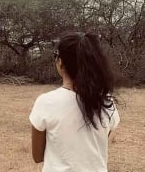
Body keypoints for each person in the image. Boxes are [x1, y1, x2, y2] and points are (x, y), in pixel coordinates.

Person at [29, 32, 120, 172]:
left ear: (60, 62)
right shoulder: (106, 101)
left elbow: (38, 156)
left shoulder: (46, 102)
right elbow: (108, 137)